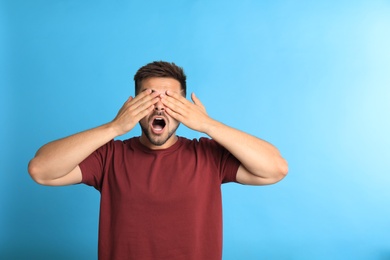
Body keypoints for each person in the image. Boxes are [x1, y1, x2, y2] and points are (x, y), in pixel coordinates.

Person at [28, 61, 288, 260]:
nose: (160, 107)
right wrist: (114, 128)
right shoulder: (109, 156)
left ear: (185, 108)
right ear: (134, 104)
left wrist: (208, 125)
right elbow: (41, 170)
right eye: (150, 97)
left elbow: (275, 168)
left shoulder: (208, 156)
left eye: (170, 99)